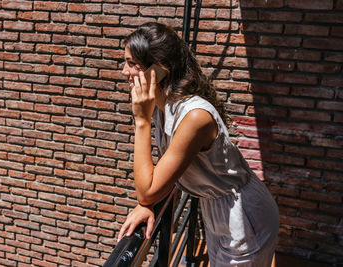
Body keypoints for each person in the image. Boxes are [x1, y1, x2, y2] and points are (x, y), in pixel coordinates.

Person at [117, 22, 279, 266]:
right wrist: (146, 205)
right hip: (218, 210)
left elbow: (147, 190)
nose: (123, 71)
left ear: (158, 71)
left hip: (243, 217)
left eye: (131, 63)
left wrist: (141, 121)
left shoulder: (194, 117)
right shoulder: (164, 106)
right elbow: (163, 175)